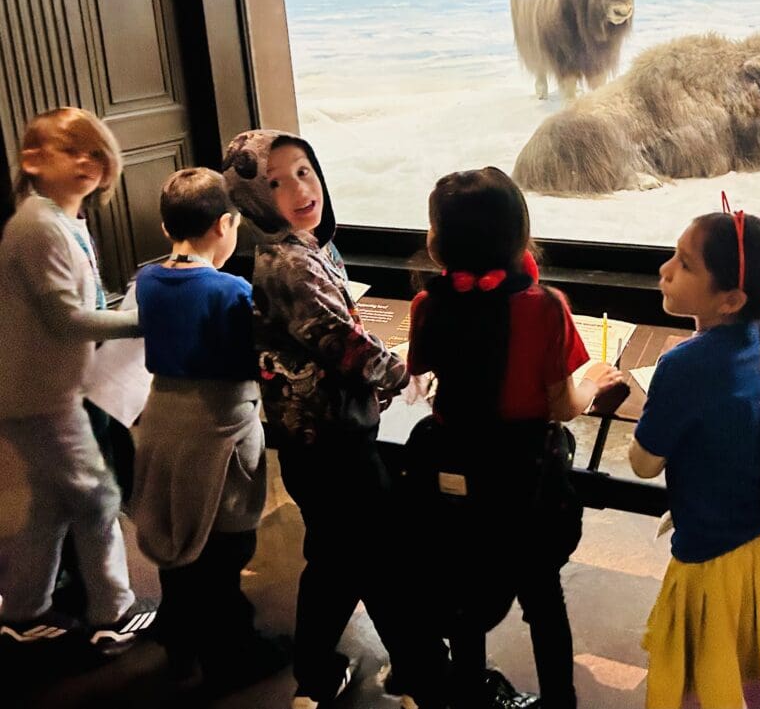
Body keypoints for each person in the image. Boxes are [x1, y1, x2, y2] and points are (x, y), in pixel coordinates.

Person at [223, 129, 449, 709]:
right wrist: (405, 373)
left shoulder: (305, 249)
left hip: (318, 438)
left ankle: (316, 677)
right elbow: (344, 343)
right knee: (381, 557)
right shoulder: (290, 265)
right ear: (253, 199)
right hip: (331, 442)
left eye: (304, 171)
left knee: (337, 559)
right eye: (276, 183)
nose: (301, 189)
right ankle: (420, 675)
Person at [406, 166, 624, 709]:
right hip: (525, 477)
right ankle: (559, 701)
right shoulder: (545, 306)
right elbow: (562, 406)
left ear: (438, 243)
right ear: (519, 237)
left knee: (464, 584)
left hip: (456, 472)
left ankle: (468, 691)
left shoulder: (429, 304)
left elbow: (423, 373)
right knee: (543, 598)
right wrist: (594, 383)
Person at [630, 202, 760, 709]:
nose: (666, 270)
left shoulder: (683, 364)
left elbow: (644, 464)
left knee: (706, 688)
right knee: (754, 680)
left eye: (685, 264)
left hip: (712, 562)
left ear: (731, 299)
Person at [131, 167, 289, 694]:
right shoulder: (231, 290)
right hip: (218, 426)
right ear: (225, 224)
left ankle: (179, 639)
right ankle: (232, 655)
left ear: (165, 226)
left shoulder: (148, 280)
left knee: (179, 533)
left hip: (161, 419)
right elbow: (258, 359)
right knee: (226, 547)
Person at [0, 107, 146, 650]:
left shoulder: (62, 220)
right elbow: (66, 318)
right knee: (98, 497)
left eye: (96, 152)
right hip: (42, 395)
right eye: (71, 150)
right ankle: (115, 613)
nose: (87, 161)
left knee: (53, 502)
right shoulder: (39, 226)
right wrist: (147, 320)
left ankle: (23, 611)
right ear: (32, 161)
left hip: (46, 390)